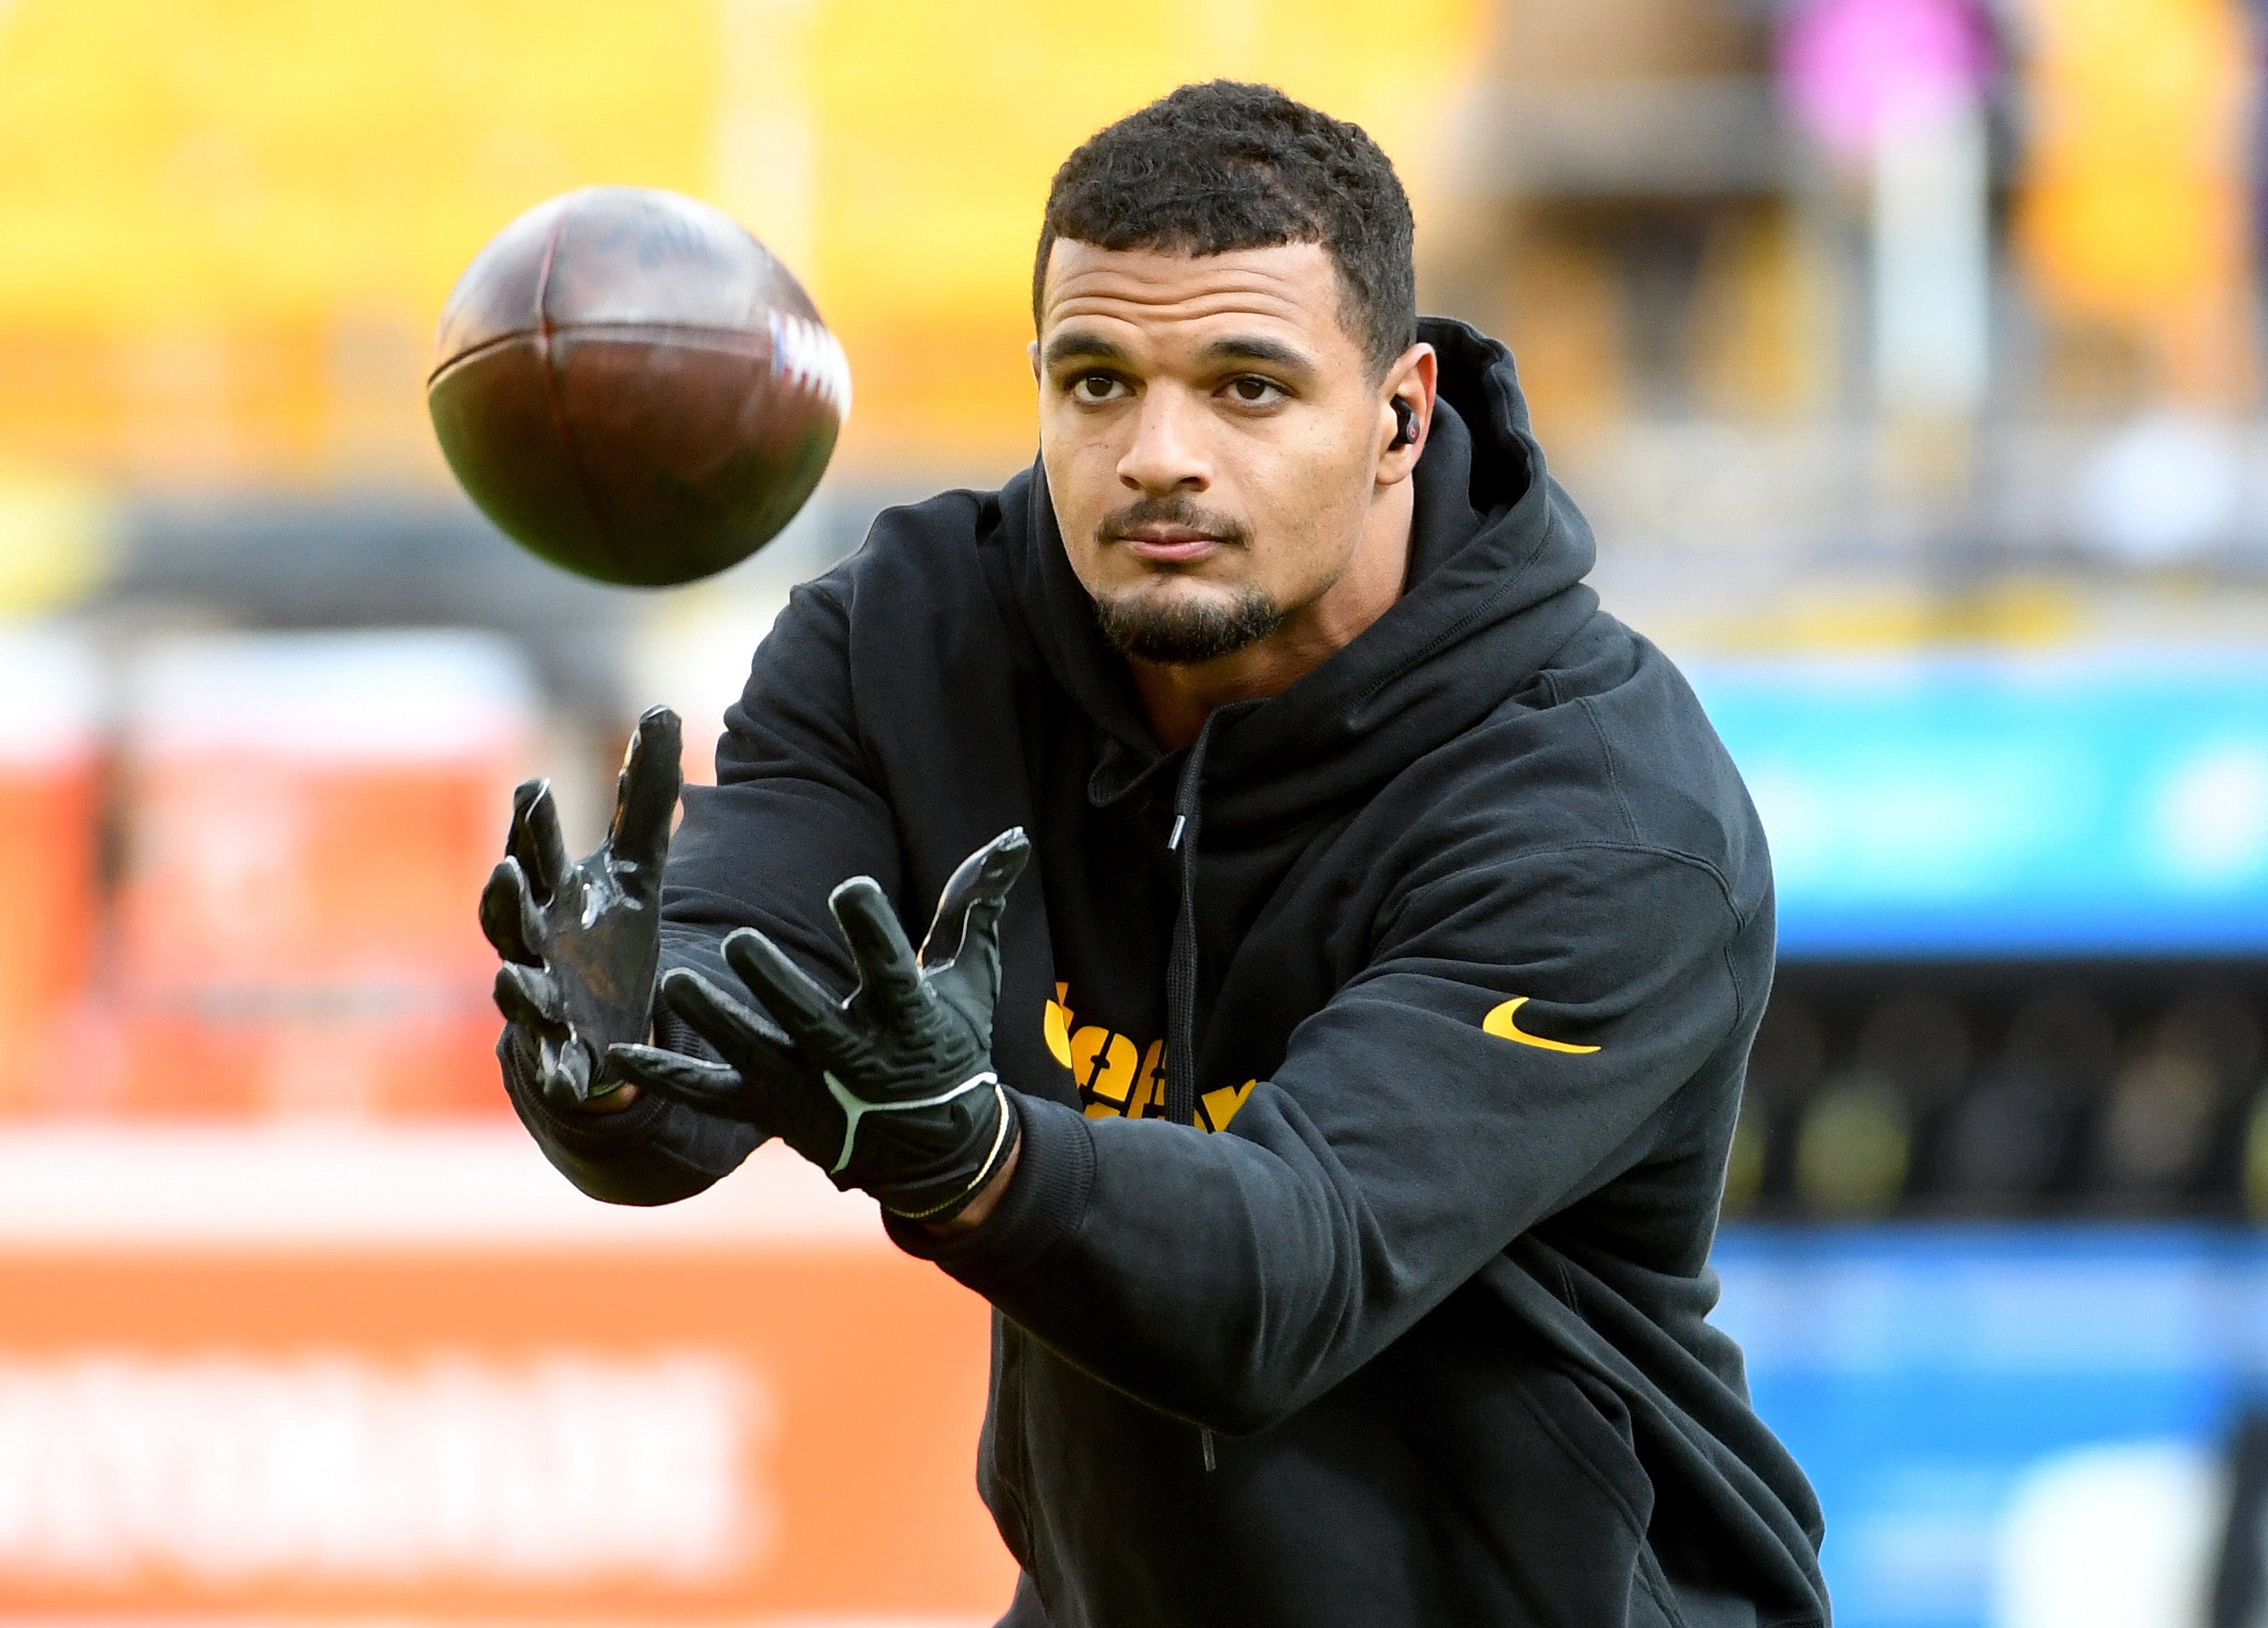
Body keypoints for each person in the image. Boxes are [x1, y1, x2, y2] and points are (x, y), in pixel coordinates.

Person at [481, 80, 1828, 1628]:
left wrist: (972, 1157)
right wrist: (603, 1059)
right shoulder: (915, 635)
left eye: (1246, 387)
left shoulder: (1605, 816)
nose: (1153, 456)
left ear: (1399, 414)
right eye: (1097, 381)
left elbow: (1282, 1289)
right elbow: (713, 1021)